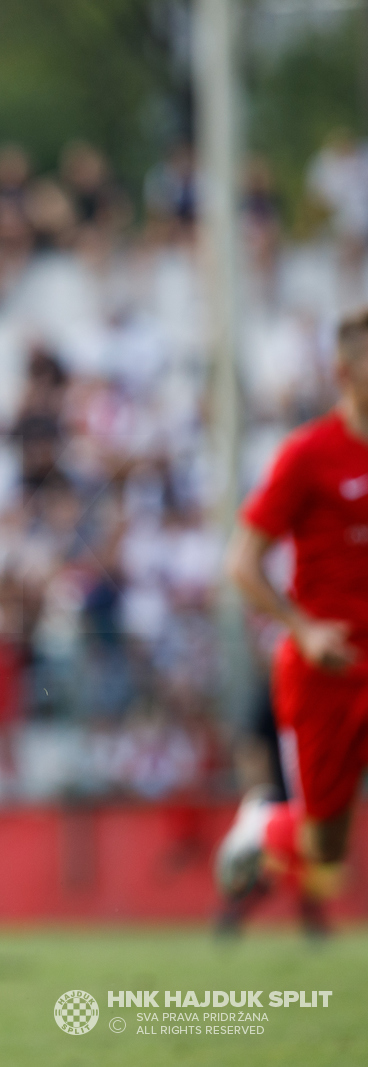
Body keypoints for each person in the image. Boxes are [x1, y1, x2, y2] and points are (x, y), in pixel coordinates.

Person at [217, 306, 368, 938]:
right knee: (323, 847)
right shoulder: (308, 455)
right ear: (343, 371)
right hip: (328, 668)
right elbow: (242, 564)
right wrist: (302, 628)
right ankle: (262, 826)